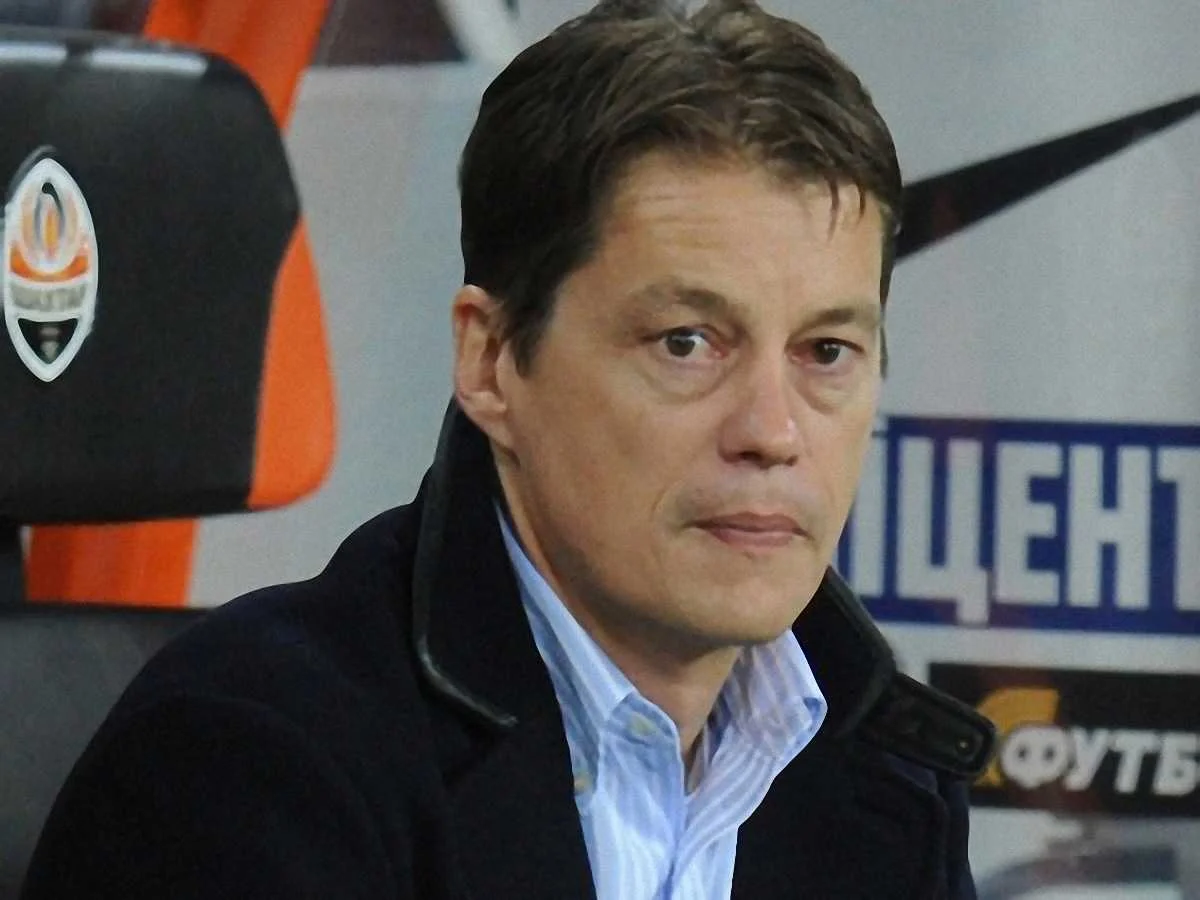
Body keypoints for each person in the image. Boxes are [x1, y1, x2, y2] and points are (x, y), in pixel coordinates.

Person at [22, 1, 994, 897]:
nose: (773, 433)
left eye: (826, 352)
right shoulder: (253, 767)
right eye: (686, 344)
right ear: (490, 362)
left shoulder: (888, 783)